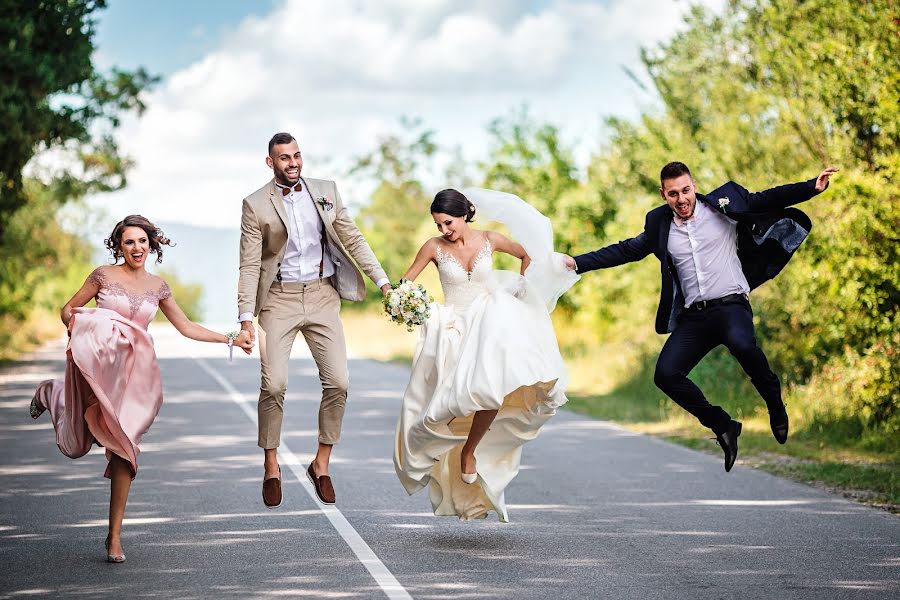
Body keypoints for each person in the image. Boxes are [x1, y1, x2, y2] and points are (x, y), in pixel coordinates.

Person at [563, 163, 838, 472]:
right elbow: (626, 249)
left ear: (693, 185)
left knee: (742, 344)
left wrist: (810, 187)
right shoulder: (659, 225)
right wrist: (577, 262)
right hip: (696, 318)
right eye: (673, 194)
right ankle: (723, 426)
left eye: (685, 190)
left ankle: (774, 400)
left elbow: (767, 199)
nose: (681, 199)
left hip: (732, 305)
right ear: (663, 195)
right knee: (666, 374)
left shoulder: (725, 203)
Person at [30, 215, 252, 563]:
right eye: (129, 242)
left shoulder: (158, 286)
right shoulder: (103, 275)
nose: (136, 248)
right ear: (118, 245)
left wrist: (230, 338)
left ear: (152, 245)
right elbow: (68, 310)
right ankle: (54, 394)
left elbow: (186, 327)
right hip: (100, 368)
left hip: (133, 379)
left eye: (142, 241)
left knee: (125, 450)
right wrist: (96, 325)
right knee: (76, 445)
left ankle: (114, 536)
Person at [394, 188, 577, 522]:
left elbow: (528, 255)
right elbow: (405, 282)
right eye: (438, 225)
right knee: (446, 402)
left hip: (490, 322)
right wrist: (407, 303)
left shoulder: (491, 239)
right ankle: (437, 453)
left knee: (493, 386)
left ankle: (470, 452)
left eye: (447, 222)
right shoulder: (433, 248)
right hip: (453, 327)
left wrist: (523, 285)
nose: (443, 230)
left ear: (464, 214)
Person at [238, 132, 391, 508]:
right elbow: (249, 264)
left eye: (296, 156)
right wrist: (245, 318)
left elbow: (353, 240)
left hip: (323, 295)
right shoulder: (255, 205)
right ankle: (271, 465)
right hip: (279, 298)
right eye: (284, 158)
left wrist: (384, 282)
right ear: (270, 162)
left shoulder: (326, 191)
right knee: (273, 385)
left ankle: (321, 463)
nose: (292, 163)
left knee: (339, 381)